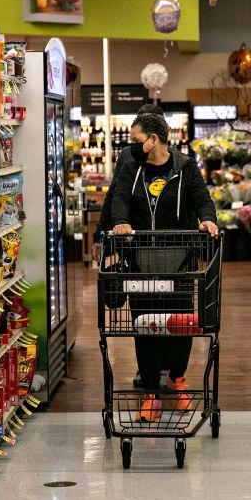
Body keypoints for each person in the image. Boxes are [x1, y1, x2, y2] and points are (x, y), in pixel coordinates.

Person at [111, 113, 218, 422]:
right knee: (144, 324)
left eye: (136, 140)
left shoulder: (184, 167)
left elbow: (202, 199)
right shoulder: (131, 167)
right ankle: (151, 394)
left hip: (179, 261)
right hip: (141, 262)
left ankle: (177, 377)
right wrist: (120, 222)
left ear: (153, 140)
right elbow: (120, 198)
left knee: (182, 322)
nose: (131, 146)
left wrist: (207, 218)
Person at [93, 104, 170, 389]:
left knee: (150, 306)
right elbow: (117, 194)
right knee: (149, 305)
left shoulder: (176, 161)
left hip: (150, 245)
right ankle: (152, 367)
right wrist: (106, 230)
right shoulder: (130, 156)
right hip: (140, 243)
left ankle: (153, 367)